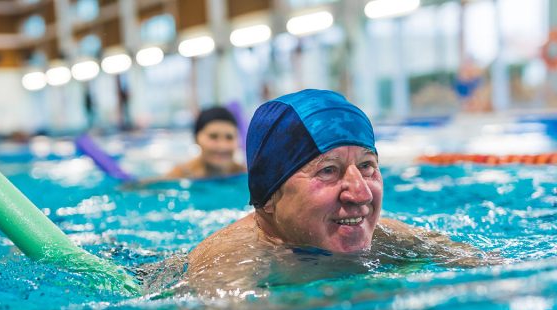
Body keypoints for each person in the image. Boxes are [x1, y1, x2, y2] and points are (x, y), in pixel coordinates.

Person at [184, 89, 498, 292]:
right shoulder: (229, 265)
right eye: (328, 171)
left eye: (367, 166)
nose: (361, 194)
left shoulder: (390, 239)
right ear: (268, 197)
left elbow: (490, 269)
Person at [165, 106, 245, 179]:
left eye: (229, 137)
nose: (222, 146)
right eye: (213, 136)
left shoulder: (246, 174)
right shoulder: (177, 176)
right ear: (196, 138)